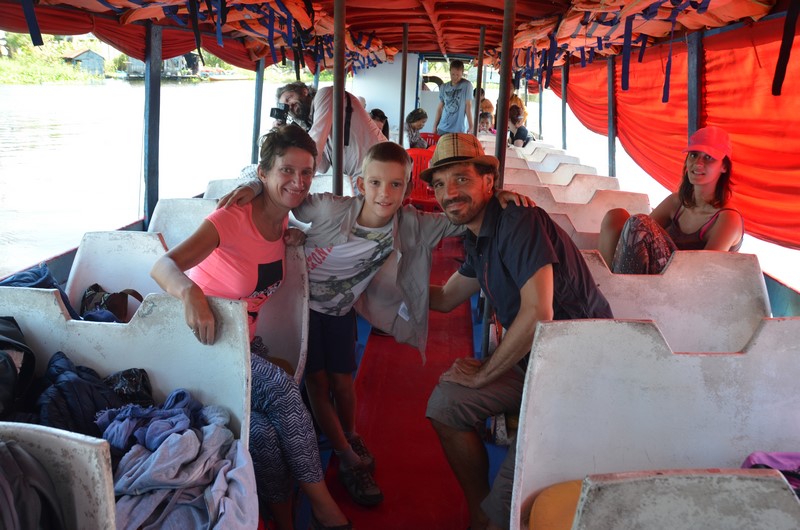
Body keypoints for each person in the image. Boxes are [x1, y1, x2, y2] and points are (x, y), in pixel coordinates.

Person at [150, 126, 351, 530]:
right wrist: (190, 293)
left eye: (307, 172)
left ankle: (283, 520)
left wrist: (291, 234)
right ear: (264, 172)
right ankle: (326, 510)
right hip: (199, 342)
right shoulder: (230, 218)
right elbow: (163, 265)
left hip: (241, 344)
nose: (298, 182)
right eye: (287, 170)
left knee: (262, 434)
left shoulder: (284, 222)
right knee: (283, 389)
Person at [420, 133, 613, 530]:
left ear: (489, 181)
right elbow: (445, 298)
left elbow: (539, 312)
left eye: (461, 179)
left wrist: (484, 374)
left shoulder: (518, 222)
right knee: (446, 404)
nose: (449, 193)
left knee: (505, 513)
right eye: (439, 184)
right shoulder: (478, 237)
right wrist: (373, 276)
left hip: (581, 370)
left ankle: (494, 517)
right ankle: (479, 512)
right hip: (536, 362)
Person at [598, 126, 744, 274]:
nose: (698, 163)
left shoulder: (728, 218)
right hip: (656, 277)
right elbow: (639, 235)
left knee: (640, 222)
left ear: (724, 167)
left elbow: (705, 271)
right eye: (694, 155)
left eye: (708, 157)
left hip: (688, 281)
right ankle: (606, 280)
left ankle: (618, 285)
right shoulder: (676, 202)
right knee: (616, 217)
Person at [275, 81, 387, 194]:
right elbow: (323, 166)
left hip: (381, 163)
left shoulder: (325, 94)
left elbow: (316, 140)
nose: (289, 106)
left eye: (288, 98)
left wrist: (295, 176)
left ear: (304, 91)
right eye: (286, 107)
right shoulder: (313, 121)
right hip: (362, 176)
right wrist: (296, 133)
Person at [433, 60, 474, 135]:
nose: (455, 77)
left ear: (462, 73)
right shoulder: (443, 87)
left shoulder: (467, 85)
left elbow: (468, 106)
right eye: (453, 74)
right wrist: (435, 126)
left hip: (458, 129)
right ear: (449, 72)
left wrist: (471, 126)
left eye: (458, 75)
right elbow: (440, 108)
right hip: (443, 127)